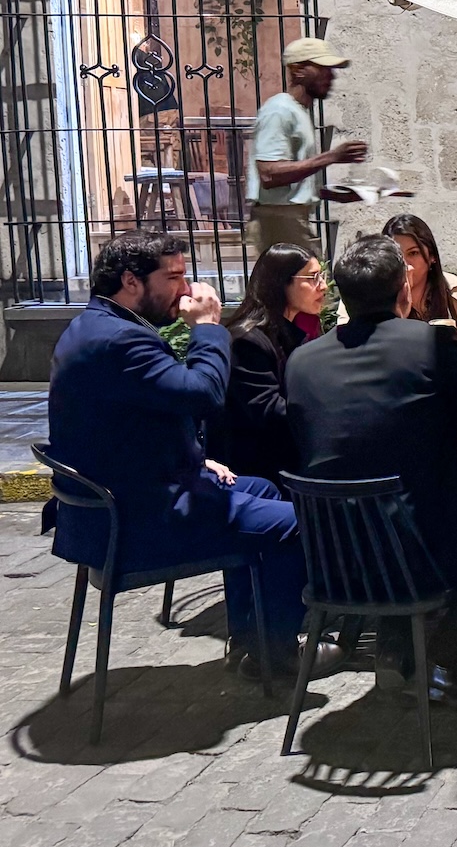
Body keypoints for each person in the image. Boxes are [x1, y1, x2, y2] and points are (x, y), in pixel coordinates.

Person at [46, 231, 321, 675]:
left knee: (264, 488)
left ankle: (250, 639)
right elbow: (202, 395)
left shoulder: (94, 325)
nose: (188, 289)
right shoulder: (122, 341)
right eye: (174, 277)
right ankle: (277, 654)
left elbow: (129, 420)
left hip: (116, 505)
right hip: (138, 523)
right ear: (132, 281)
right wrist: (210, 329)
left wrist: (191, 455)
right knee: (295, 523)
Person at [285, 235, 457, 684]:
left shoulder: (302, 362)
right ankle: (438, 659)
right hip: (419, 553)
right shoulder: (432, 344)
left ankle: (396, 650)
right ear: (404, 288)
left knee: (408, 495)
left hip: (333, 559)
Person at [244, 37, 367, 254]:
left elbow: (289, 182)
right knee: (306, 284)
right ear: (297, 70)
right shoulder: (279, 111)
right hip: (279, 221)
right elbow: (269, 174)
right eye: (323, 68)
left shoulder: (297, 112)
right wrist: (332, 156)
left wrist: (335, 194)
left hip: (290, 219)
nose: (331, 76)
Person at [218, 243, 326, 483]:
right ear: (281, 283)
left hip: (289, 458)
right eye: (313, 277)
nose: (323, 286)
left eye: (322, 276)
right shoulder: (247, 340)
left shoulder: (293, 330)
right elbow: (269, 413)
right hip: (260, 472)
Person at [383, 213, 457, 371]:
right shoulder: (372, 293)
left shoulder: (455, 289)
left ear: (432, 256)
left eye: (413, 253)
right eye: (397, 255)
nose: (405, 264)